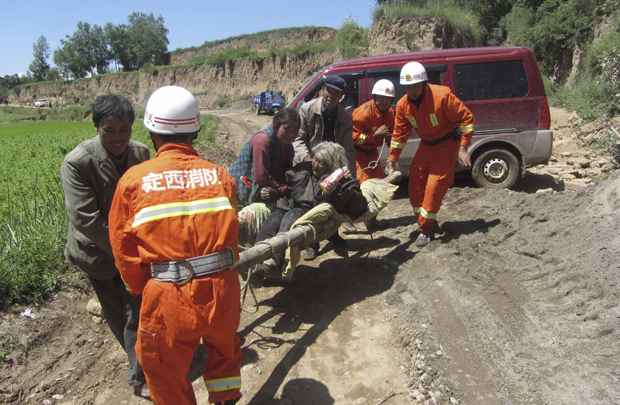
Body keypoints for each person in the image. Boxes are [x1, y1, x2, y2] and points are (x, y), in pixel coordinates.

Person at [108, 86, 241, 405]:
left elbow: (123, 250)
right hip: (222, 287)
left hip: (169, 291)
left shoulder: (133, 181)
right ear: (196, 129)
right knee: (224, 354)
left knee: (163, 370)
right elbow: (233, 232)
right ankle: (225, 400)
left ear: (151, 130)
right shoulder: (219, 175)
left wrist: (143, 287)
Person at [60, 95, 150, 398]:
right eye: (109, 130)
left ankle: (141, 371)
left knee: (137, 311)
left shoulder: (141, 153)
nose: (117, 138)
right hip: (96, 252)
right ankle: (137, 369)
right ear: (97, 127)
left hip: (135, 250)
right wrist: (124, 250)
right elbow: (86, 219)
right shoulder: (78, 162)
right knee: (116, 311)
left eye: (123, 130)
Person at [387, 61, 474, 247]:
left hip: (446, 145)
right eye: (407, 87)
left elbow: (466, 119)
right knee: (415, 185)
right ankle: (426, 222)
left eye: (414, 87)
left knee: (433, 187)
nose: (411, 91)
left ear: (423, 83)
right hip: (426, 146)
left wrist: (463, 147)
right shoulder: (403, 106)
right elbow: (399, 134)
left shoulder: (442, 96)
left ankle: (426, 230)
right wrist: (392, 157)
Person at [229, 108, 300, 206]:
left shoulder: (288, 146)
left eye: (295, 130)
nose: (291, 134)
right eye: (287, 129)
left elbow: (287, 172)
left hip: (267, 185)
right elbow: (261, 177)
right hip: (242, 186)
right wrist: (281, 189)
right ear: (277, 125)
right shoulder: (262, 140)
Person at [293, 74, 355, 174]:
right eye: (329, 91)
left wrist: (348, 170)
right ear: (322, 90)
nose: (331, 95)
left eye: (337, 93)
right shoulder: (307, 109)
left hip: (332, 165)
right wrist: (306, 157)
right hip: (309, 160)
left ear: (341, 96)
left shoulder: (345, 118)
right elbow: (298, 139)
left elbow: (348, 149)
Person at [351, 79, 396, 183]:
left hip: (373, 153)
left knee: (378, 184)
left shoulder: (390, 114)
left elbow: (392, 137)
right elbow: (356, 140)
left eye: (388, 98)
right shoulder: (363, 114)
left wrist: (392, 158)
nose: (385, 101)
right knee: (364, 185)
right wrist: (374, 136)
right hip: (358, 155)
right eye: (382, 97)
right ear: (375, 97)